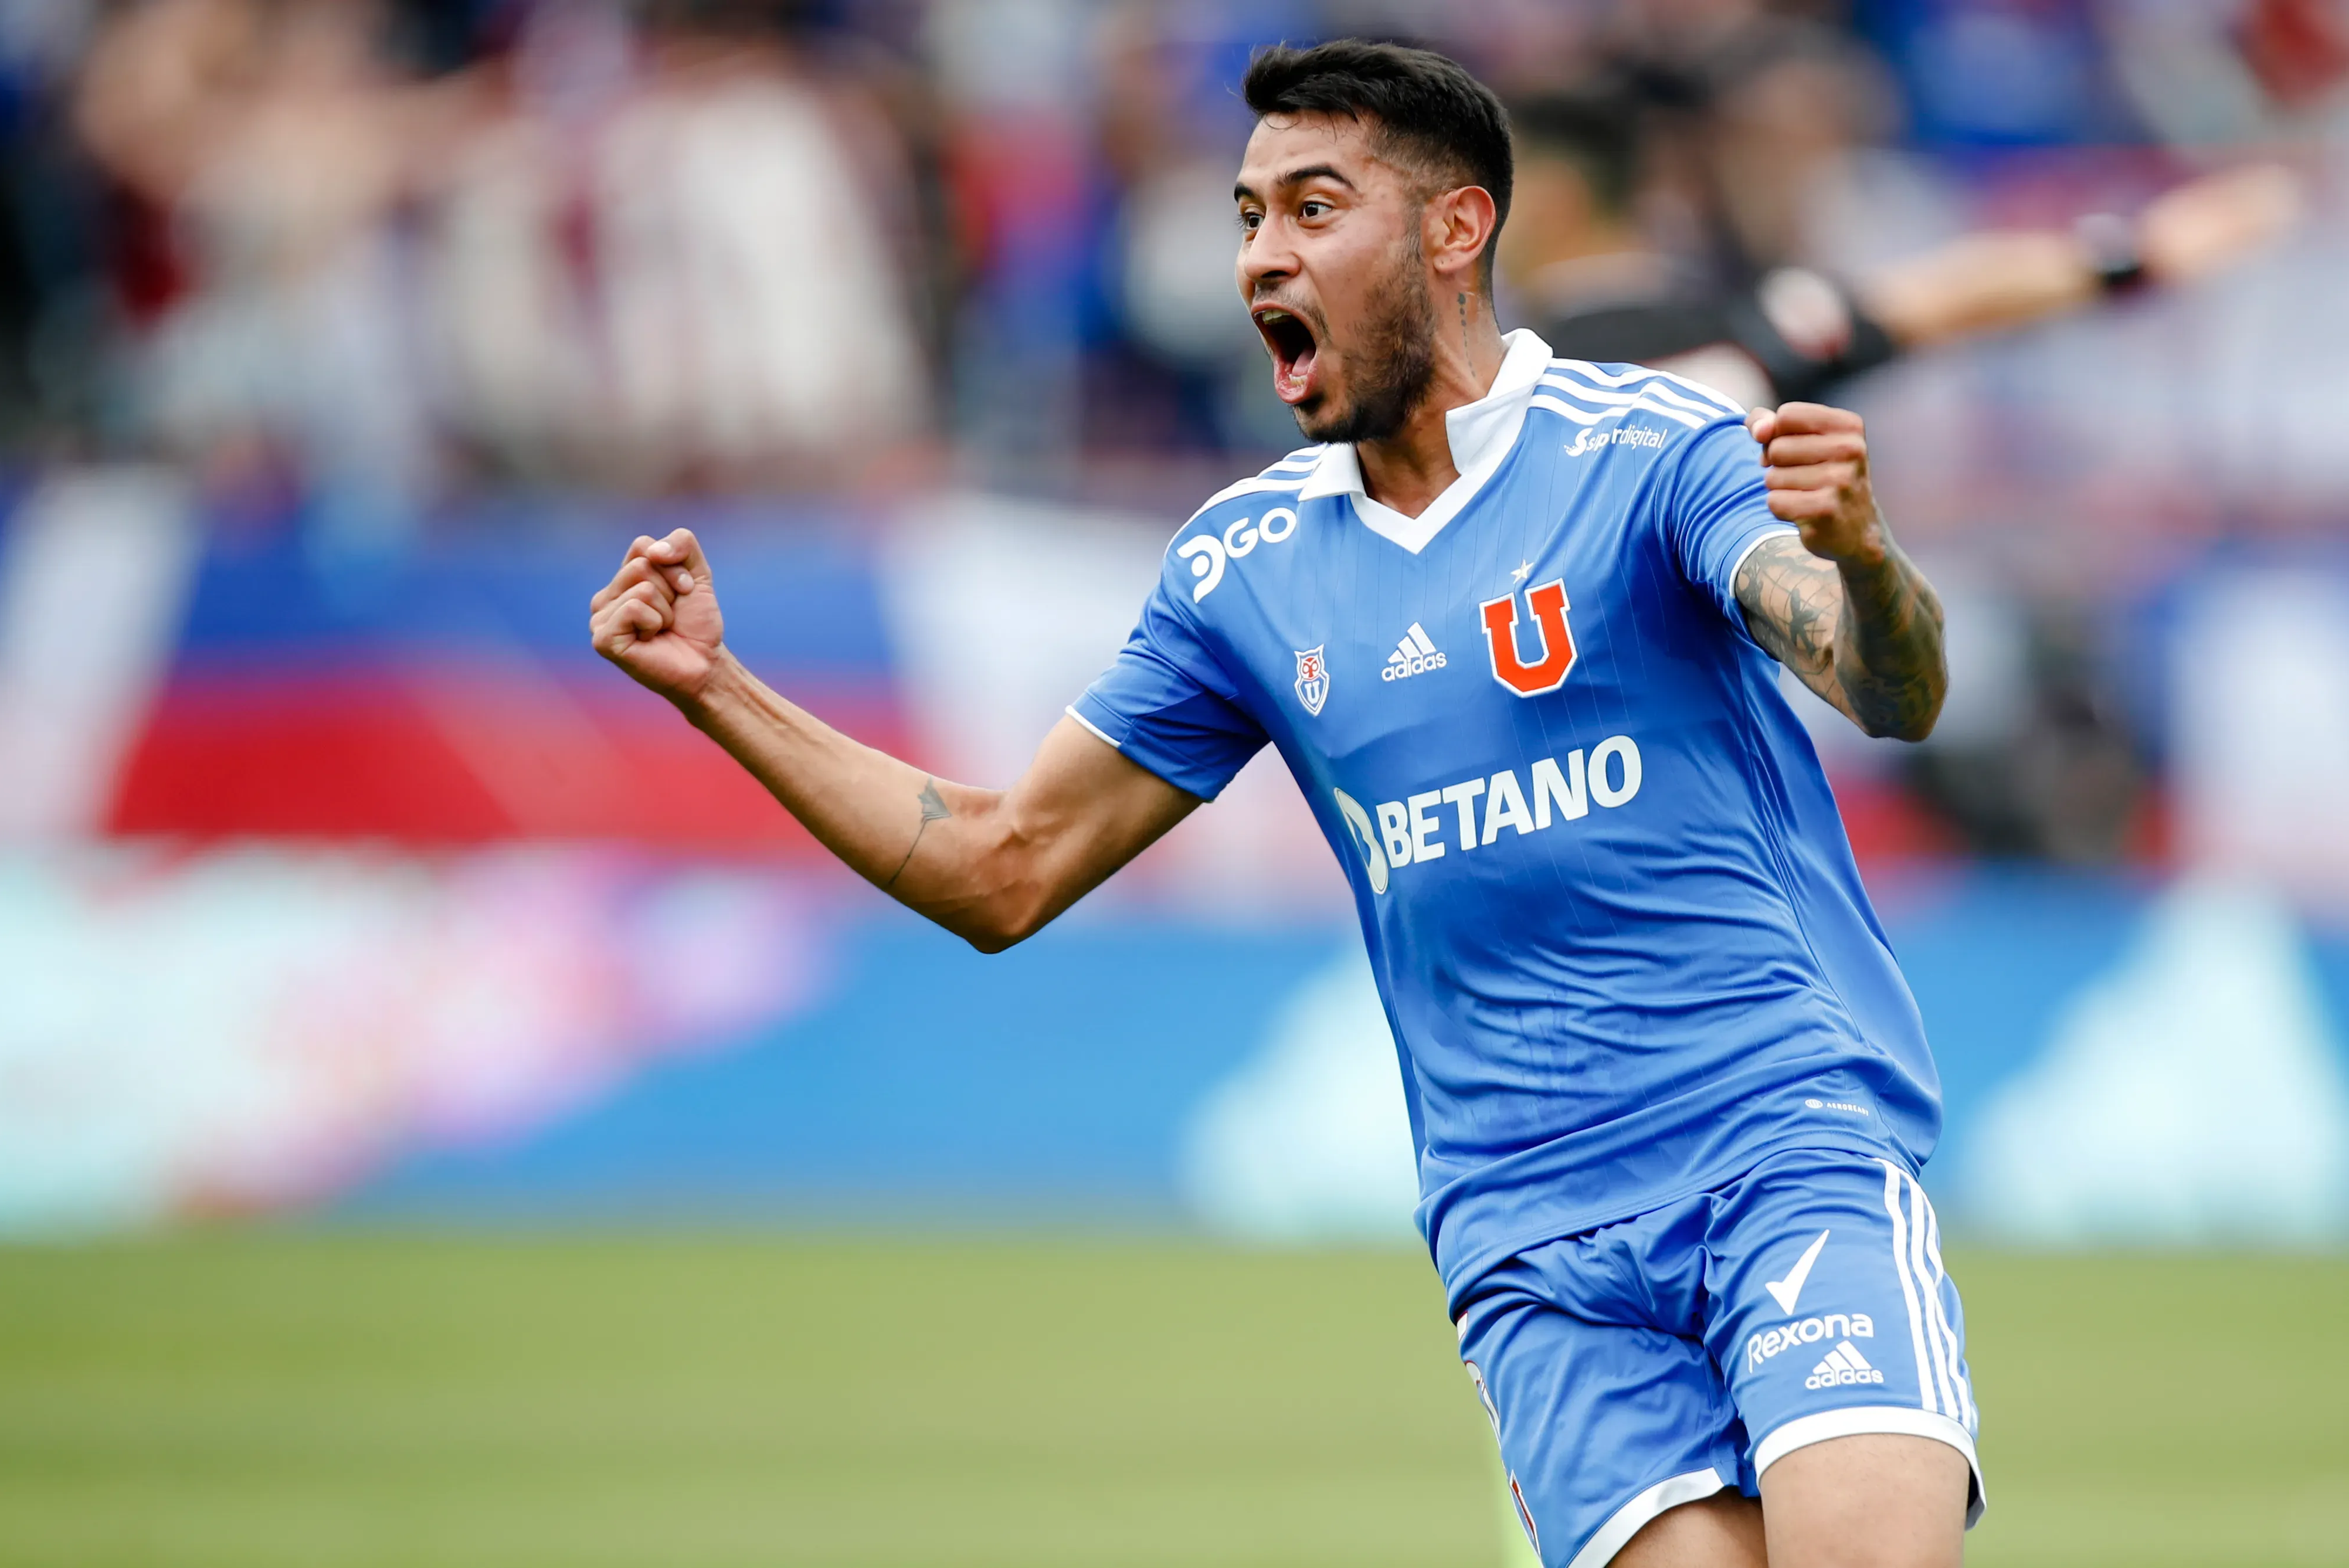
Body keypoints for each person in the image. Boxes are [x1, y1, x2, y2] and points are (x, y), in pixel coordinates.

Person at [592, 40, 1973, 1568]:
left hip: (1773, 1146)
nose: (1261, 255)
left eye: (1312, 209)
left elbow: (1886, 685)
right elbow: (1001, 866)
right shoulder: (1240, 571)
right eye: (1246, 216)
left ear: (1455, 230)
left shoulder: (1648, 452)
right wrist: (717, 686)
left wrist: (1858, 554)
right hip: (1532, 1246)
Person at [1503, 69, 2302, 411]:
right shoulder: (1737, 333)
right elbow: (1937, 295)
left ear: (1556, 198)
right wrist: (2139, 252)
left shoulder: (1499, 379)